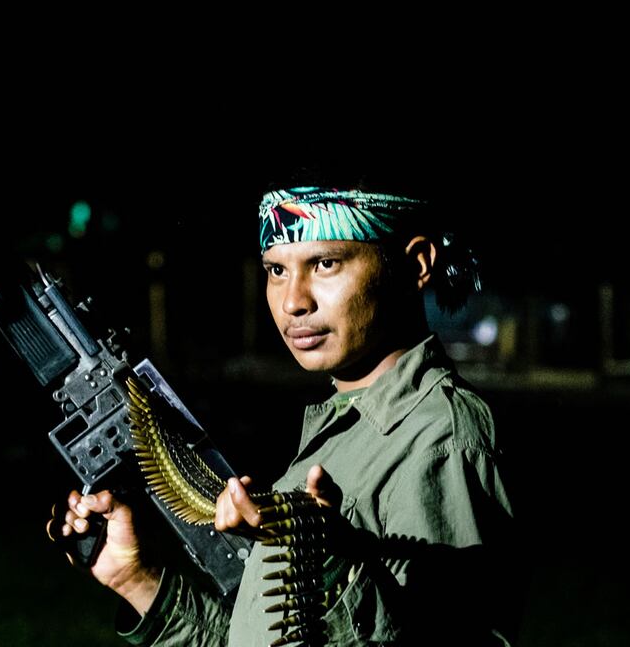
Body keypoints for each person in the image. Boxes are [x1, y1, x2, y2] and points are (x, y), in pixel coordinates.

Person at [50, 177, 517, 645]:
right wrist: (137, 580)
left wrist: (331, 563)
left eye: (326, 264)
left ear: (416, 264)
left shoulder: (441, 437)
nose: (293, 301)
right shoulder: (345, 428)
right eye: (276, 270)